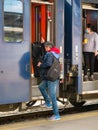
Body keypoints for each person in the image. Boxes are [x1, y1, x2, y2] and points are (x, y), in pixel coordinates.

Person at [37, 42, 60, 121]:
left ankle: (56, 115)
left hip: (51, 78)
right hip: (50, 76)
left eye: (45, 47)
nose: (44, 48)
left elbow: (48, 64)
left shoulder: (49, 54)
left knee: (52, 95)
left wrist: (40, 65)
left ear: (48, 47)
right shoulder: (55, 53)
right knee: (41, 86)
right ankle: (48, 102)